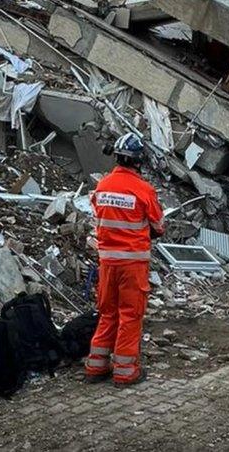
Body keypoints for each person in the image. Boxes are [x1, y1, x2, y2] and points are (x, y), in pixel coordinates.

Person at [85, 133, 164, 386]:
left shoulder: (103, 186)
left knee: (108, 312)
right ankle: (125, 371)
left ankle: (96, 367)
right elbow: (158, 226)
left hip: (107, 263)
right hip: (132, 264)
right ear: (139, 161)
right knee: (130, 315)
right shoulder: (143, 189)